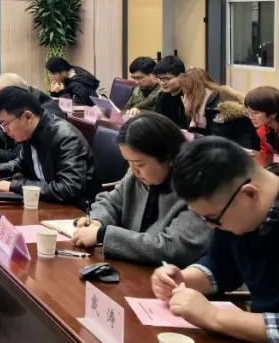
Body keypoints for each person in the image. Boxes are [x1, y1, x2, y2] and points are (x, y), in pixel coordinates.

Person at [151, 137, 279, 343]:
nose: (210, 226)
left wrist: (214, 317)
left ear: (250, 194)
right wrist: (184, 280)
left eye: (212, 219)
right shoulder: (239, 211)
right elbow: (222, 263)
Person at [71, 113, 210, 266]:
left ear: (169, 157)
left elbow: (173, 248)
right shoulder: (137, 175)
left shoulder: (197, 190)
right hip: (130, 266)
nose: (133, 170)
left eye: (139, 164)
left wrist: (103, 235)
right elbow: (110, 202)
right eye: (129, 162)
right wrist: (97, 221)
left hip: (170, 276)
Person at [0, 85, 95, 207]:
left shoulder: (65, 137)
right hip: (47, 204)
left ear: (27, 117)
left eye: (5, 124)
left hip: (75, 211)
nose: (4, 130)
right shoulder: (30, 133)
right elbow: (22, 163)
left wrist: (14, 186)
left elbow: (69, 189)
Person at [177, 68, 259, 150]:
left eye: (186, 92)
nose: (185, 96)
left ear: (192, 91)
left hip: (241, 152)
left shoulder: (216, 108)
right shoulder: (212, 97)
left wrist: (190, 112)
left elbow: (215, 144)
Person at [245, 86, 279, 156]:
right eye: (248, 112)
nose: (250, 117)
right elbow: (266, 155)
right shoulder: (264, 130)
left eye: (255, 113)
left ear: (273, 113)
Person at [152, 55, 187, 129]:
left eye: (166, 78)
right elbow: (157, 121)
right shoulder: (162, 96)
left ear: (181, 76)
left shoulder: (188, 96)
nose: (162, 83)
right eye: (159, 78)